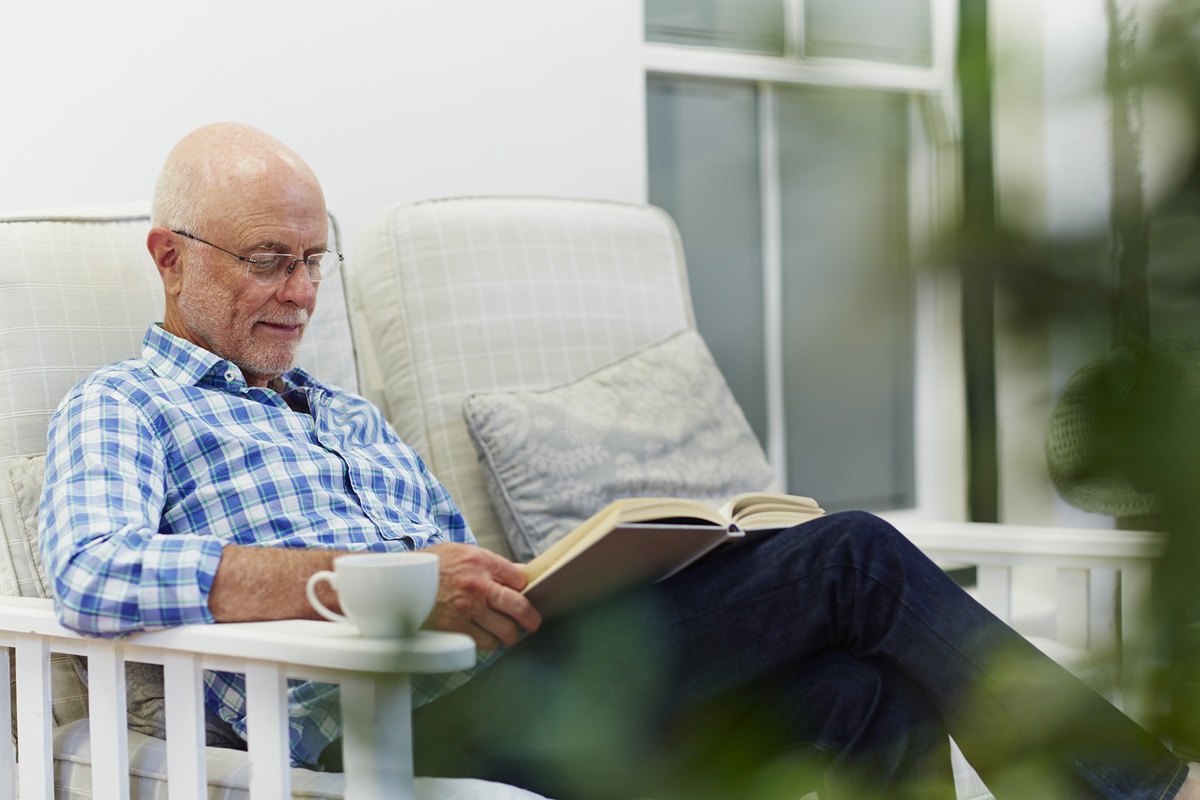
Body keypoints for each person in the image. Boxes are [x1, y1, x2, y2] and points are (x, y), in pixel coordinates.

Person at [38, 122, 1197, 800]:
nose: (297, 291)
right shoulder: (126, 404)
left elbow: (470, 564)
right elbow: (92, 569)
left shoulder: (350, 416)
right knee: (854, 557)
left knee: (865, 692)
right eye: (266, 260)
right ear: (168, 258)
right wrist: (361, 578)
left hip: (513, 678)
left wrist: (550, 575)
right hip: (375, 723)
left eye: (310, 262)